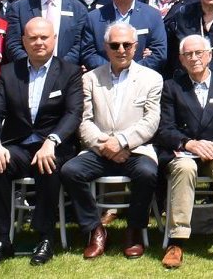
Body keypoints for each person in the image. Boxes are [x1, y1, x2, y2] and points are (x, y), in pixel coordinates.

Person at [0, 16, 83, 267]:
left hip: (54, 146)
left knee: (47, 165)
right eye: (33, 38)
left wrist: (52, 141)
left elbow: (73, 113)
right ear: (23, 41)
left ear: (54, 40)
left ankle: (45, 236)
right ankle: (2, 239)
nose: (39, 42)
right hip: (18, 144)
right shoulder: (8, 72)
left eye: (44, 37)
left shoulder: (69, 72)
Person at [62, 22, 163, 260]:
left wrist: (122, 142)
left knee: (148, 174)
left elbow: (151, 121)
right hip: (99, 150)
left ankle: (133, 231)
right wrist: (103, 145)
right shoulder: (89, 79)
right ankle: (95, 230)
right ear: (105, 47)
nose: (121, 49)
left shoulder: (152, 78)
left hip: (135, 150)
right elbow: (83, 120)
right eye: (115, 45)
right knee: (70, 171)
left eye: (127, 44)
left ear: (136, 47)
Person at [156, 33, 213, 268]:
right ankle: (177, 241)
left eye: (199, 53)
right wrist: (189, 143)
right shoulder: (171, 88)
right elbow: (165, 129)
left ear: (209, 55)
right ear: (181, 60)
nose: (194, 58)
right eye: (188, 54)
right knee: (184, 168)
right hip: (185, 152)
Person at [78, 0, 168, 72]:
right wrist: (112, 70)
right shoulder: (93, 18)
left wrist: (131, 72)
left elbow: (159, 54)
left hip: (140, 81)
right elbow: (88, 53)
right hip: (105, 81)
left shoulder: (153, 15)